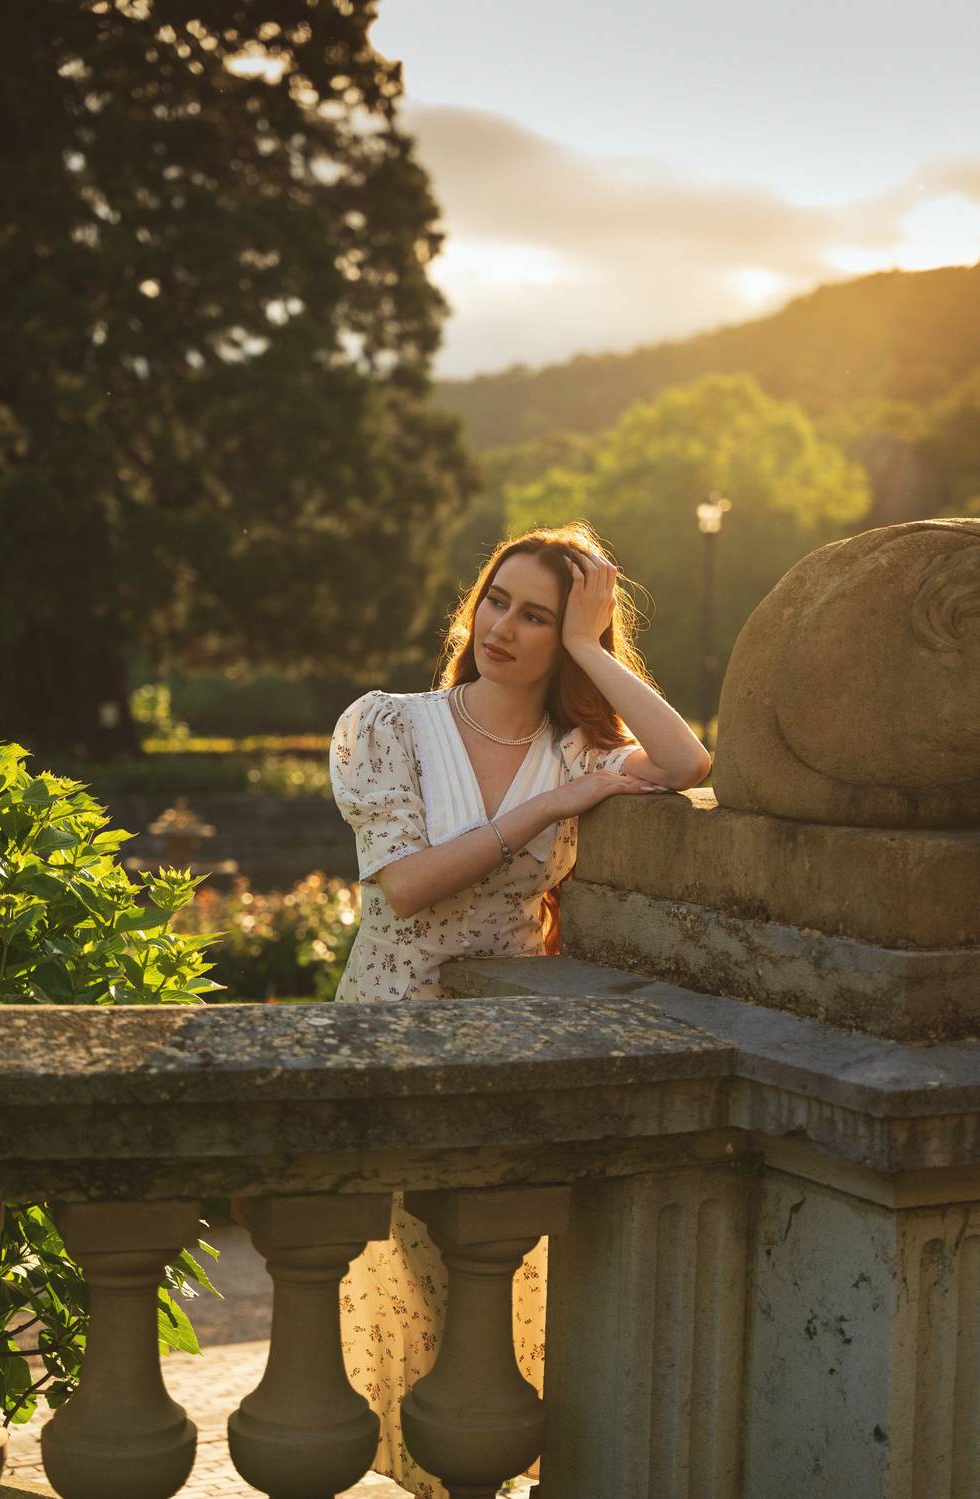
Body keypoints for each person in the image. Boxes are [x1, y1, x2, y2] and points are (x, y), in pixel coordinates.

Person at [329, 522, 711, 1497]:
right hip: (392, 1035)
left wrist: (592, 646)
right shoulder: (392, 722)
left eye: (536, 615)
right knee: (421, 1272)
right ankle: (447, 1479)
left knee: (499, 1272)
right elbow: (406, 885)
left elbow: (686, 760)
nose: (501, 627)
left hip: (508, 1045)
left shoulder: (579, 749)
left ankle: (487, 1476)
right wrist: (539, 811)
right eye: (495, 600)